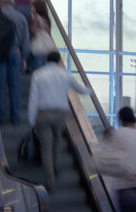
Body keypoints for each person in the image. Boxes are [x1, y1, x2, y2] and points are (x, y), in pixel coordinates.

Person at [27, 50, 91, 191]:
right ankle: (56, 165)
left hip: (43, 114)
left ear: (46, 60)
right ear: (58, 61)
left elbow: (33, 98)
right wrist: (90, 90)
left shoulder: (38, 75)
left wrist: (31, 120)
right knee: (58, 140)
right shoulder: (65, 74)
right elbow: (80, 89)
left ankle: (50, 182)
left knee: (46, 147)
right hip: (61, 114)